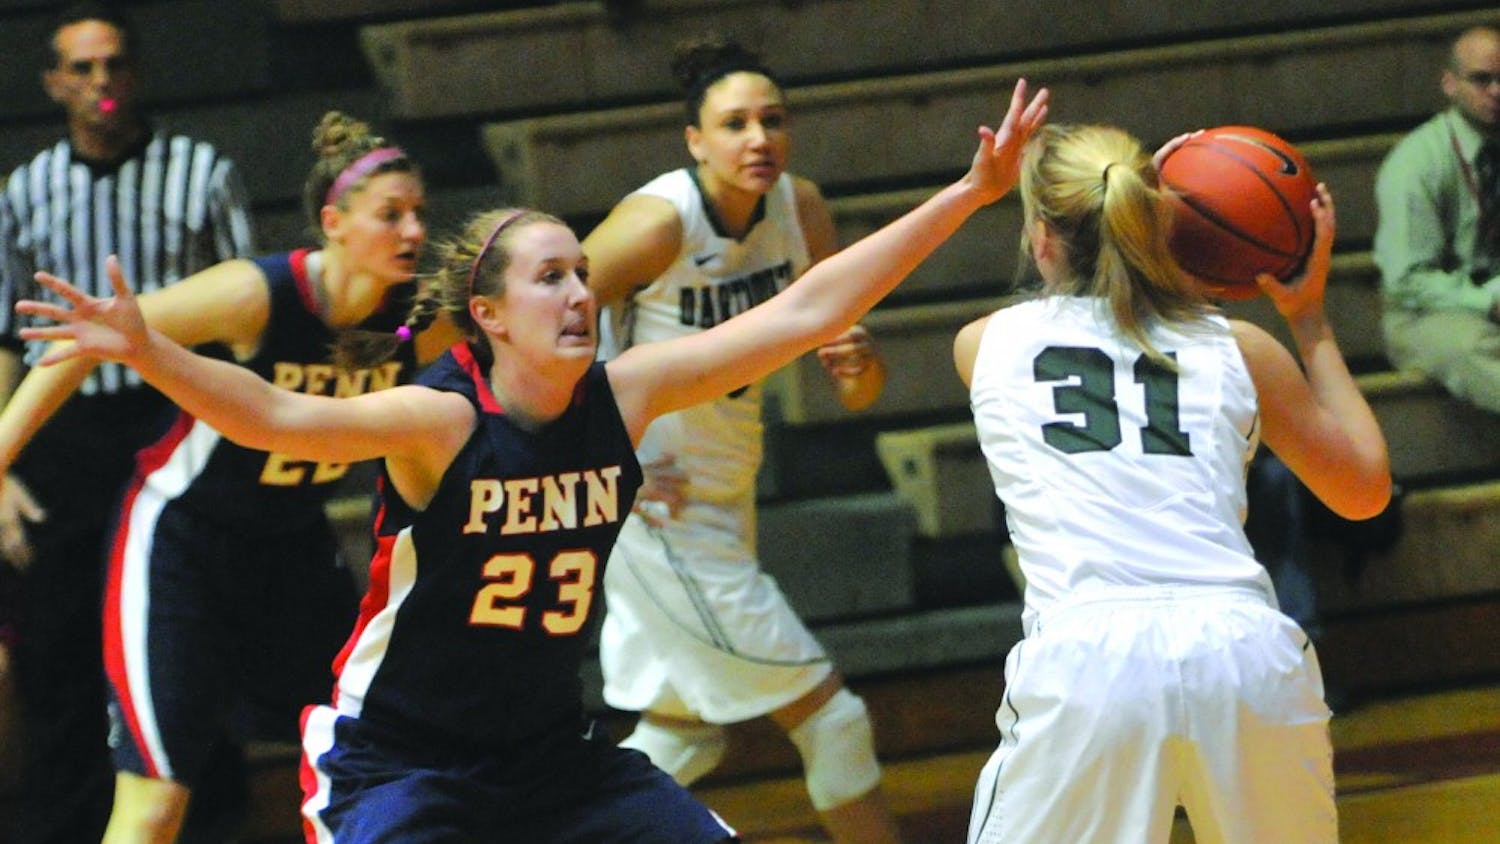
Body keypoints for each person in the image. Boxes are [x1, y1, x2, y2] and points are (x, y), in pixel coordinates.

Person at [17, 79, 1050, 844]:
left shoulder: (627, 392)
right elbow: (277, 414)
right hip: (404, 767)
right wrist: (149, 347)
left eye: (581, 277)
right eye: (550, 277)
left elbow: (810, 307)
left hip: (553, 758)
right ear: (489, 315)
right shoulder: (438, 420)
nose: (578, 296)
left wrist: (967, 191)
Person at [0, 109, 437, 843]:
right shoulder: (256, 293)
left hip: (295, 549)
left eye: (419, 213)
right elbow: (86, 341)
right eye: (390, 215)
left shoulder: (416, 323)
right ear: (333, 222)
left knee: (379, 760)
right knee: (158, 800)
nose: (414, 232)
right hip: (181, 544)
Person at [955, 124, 1390, 843]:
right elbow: (1364, 489)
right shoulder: (1241, 350)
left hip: (1092, 663)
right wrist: (1308, 319)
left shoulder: (986, 343)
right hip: (1246, 656)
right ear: (1155, 220)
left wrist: (1132, 194)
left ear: (1040, 237)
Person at [581, 37, 899, 841]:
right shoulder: (658, 223)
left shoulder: (803, 209)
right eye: (733, 124)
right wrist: (607, 463)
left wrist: (856, 361)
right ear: (695, 141)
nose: (757, 138)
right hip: (658, 507)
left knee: (682, 732)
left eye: (772, 120)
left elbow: (859, 388)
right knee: (833, 720)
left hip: (726, 484)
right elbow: (538, 323)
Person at [0, 3, 254, 841]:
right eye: (81, 69)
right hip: (61, 434)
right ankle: (67, 826)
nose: (100, 83)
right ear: (52, 84)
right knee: (59, 640)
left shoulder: (201, 172)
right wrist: (1, 465)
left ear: (135, 74)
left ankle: (205, 820)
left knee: (186, 626)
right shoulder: (25, 189)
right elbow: (6, 339)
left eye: (113, 65)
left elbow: (244, 322)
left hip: (171, 419)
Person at [1373, 24, 1500, 415]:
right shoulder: (1416, 162)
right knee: (1471, 346)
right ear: (1450, 83)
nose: (1497, 91)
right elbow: (1407, 280)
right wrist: (1490, 300)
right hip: (1424, 313)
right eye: (1482, 79)